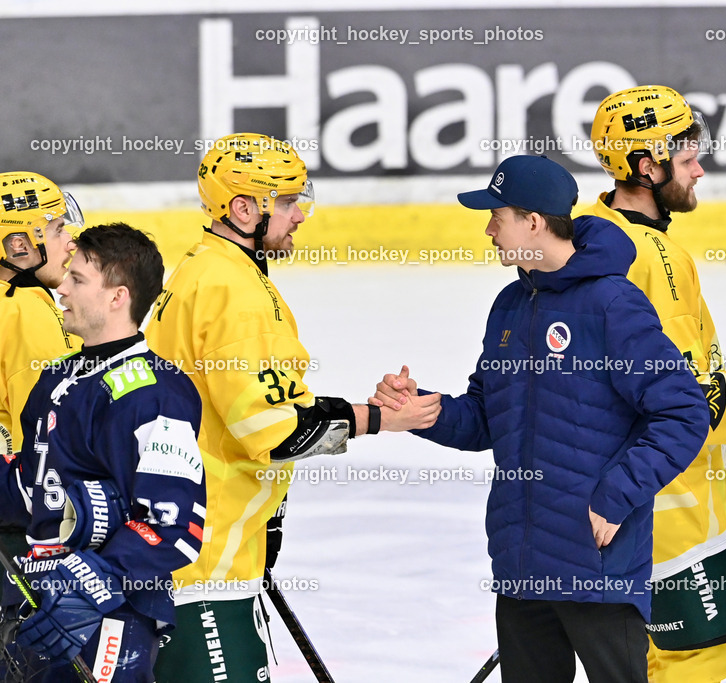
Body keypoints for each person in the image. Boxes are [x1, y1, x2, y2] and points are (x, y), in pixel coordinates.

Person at [372, 154, 712, 683]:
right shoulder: (510, 304)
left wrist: (615, 497)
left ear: (533, 222)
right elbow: (487, 418)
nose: (488, 230)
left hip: (595, 565)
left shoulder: (612, 303)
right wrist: (426, 412)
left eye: (496, 216)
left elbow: (684, 412)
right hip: (521, 566)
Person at [146, 133, 439, 682]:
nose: (300, 214)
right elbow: (275, 432)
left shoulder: (207, 269)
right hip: (206, 560)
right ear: (242, 208)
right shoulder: (233, 290)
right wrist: (382, 419)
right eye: (286, 201)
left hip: (199, 547)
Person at [584, 85, 726, 682]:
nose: (700, 170)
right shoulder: (655, 255)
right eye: (686, 160)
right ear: (645, 167)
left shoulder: (588, 231)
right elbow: (683, 401)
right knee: (692, 666)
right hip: (671, 511)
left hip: (612, 496)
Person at [0, 222, 207, 681]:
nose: (62, 290)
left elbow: (174, 524)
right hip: (35, 600)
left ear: (118, 297)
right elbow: (32, 487)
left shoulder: (156, 392)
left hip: (109, 615)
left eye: (78, 280)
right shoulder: (59, 377)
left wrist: (90, 583)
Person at [0, 172, 83, 561]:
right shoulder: (25, 310)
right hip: (20, 529)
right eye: (57, 228)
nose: (71, 242)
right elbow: (50, 431)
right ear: (19, 246)